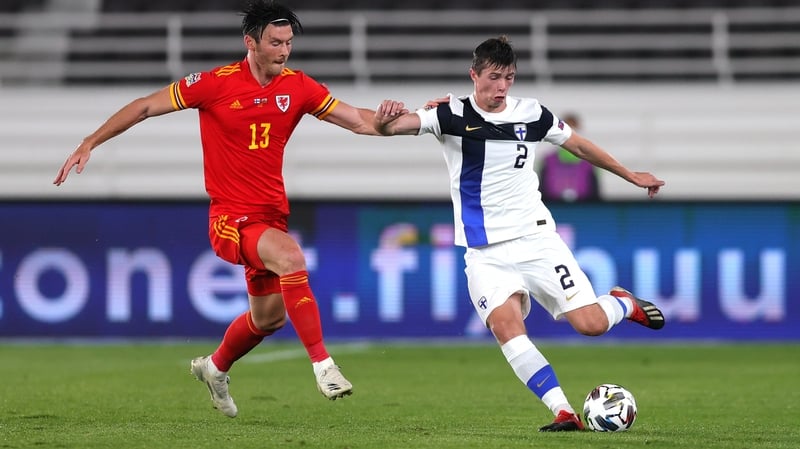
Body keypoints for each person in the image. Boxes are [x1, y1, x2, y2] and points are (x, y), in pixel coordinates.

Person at [53, 0, 385, 418]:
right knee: (291, 257)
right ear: (251, 42)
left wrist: (422, 121)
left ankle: (214, 367)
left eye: (288, 43)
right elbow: (144, 106)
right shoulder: (214, 84)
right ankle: (324, 365)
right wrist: (90, 141)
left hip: (270, 218)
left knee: (268, 320)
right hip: (230, 219)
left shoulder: (298, 86)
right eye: (275, 43)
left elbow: (358, 120)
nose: (284, 51)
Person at [374, 35, 666, 432]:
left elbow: (579, 146)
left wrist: (630, 175)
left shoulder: (533, 114)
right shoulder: (448, 114)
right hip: (483, 252)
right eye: (494, 77)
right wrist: (386, 115)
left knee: (591, 325)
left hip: (536, 240)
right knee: (505, 327)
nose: (501, 87)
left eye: (509, 77)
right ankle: (563, 411)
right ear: (473, 75)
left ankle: (622, 303)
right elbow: (389, 128)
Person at [537, 113, 601, 202]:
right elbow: (541, 188)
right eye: (568, 127)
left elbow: (595, 191)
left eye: (574, 128)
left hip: (583, 208)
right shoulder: (548, 160)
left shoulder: (590, 161)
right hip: (553, 207)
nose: (571, 133)